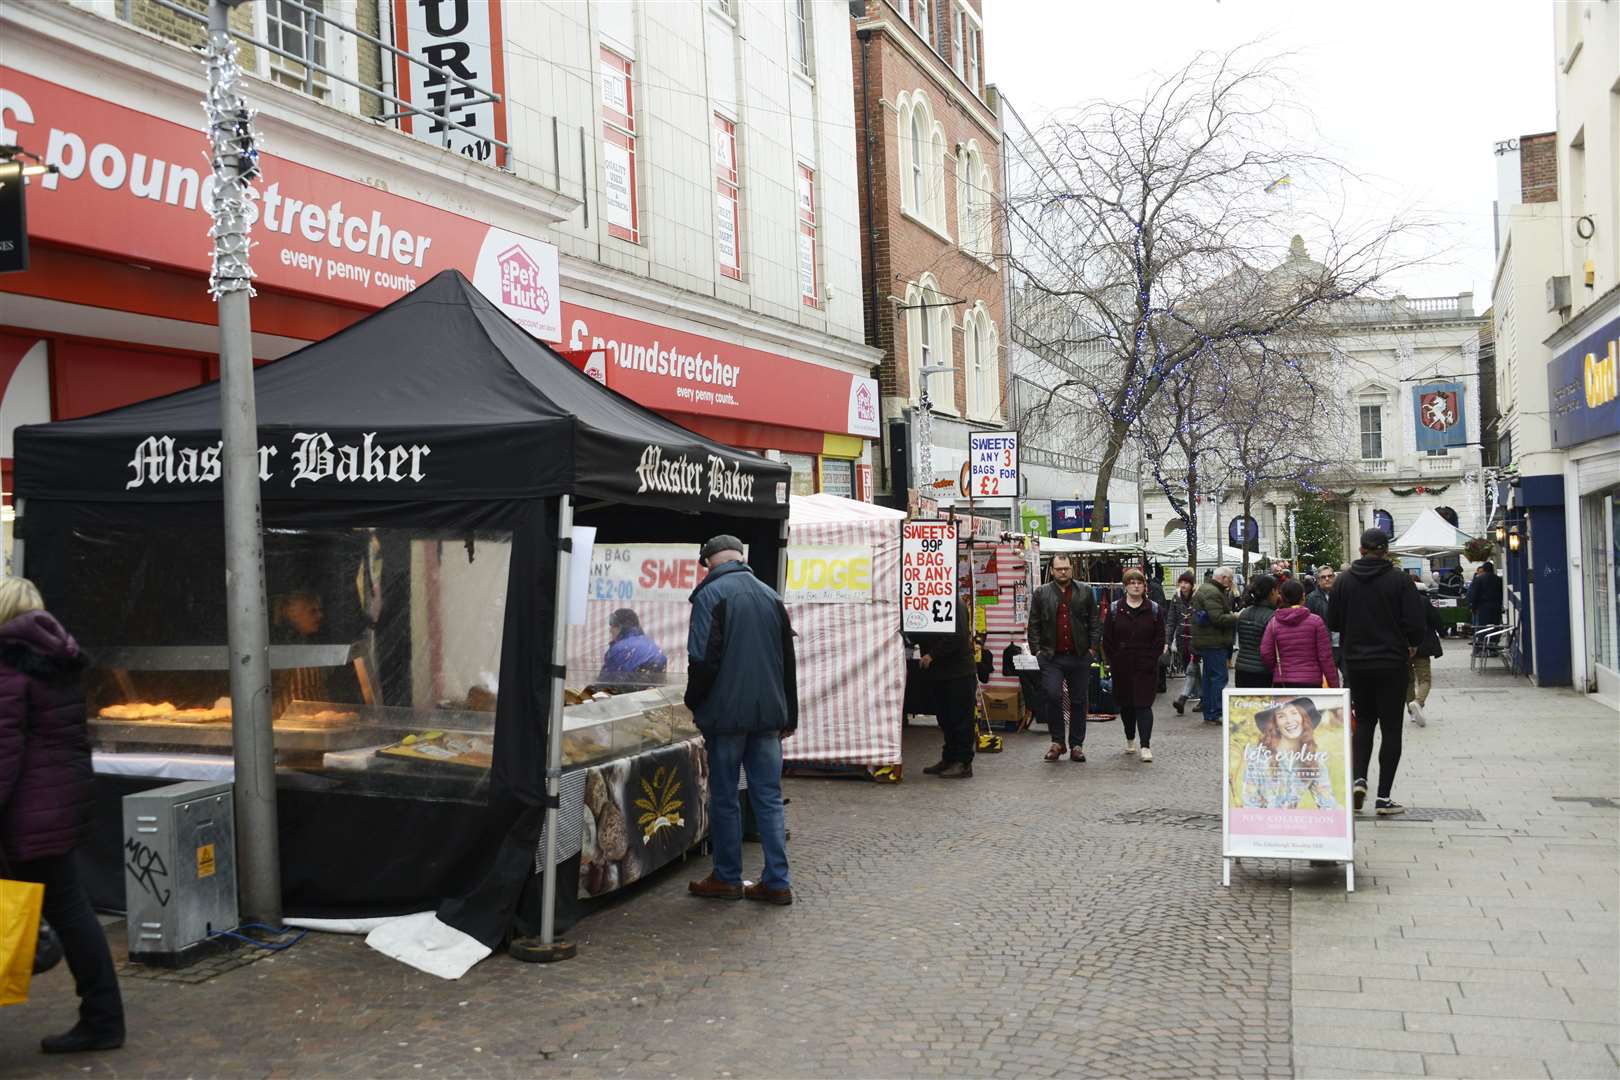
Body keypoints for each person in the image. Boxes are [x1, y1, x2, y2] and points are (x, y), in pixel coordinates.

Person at [0, 577, 125, 1053]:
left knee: (69, 913)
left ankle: (102, 1020)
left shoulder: (9, 668)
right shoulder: (58, 662)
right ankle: (103, 1018)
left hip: (24, 813)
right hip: (57, 807)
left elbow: (4, 753)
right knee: (74, 912)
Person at [685, 535, 797, 906]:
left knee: (725, 797)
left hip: (726, 716)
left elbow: (702, 660)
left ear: (709, 563)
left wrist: (692, 702)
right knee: (768, 797)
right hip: (768, 716)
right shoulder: (770, 596)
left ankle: (727, 876)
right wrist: (789, 713)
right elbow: (787, 663)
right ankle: (777, 881)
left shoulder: (710, 596)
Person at [1327, 528, 1425, 817]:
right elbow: (1416, 625)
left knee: (1364, 722)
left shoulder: (1343, 581)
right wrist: (1410, 643)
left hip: (1356, 664)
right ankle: (1383, 797)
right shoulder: (1400, 581)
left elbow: (1333, 621)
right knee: (1392, 727)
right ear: (1386, 551)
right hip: (1392, 663)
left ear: (1361, 550)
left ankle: (1359, 779)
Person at [1028, 553, 1100, 763]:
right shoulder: (1041, 593)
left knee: (1079, 700)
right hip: (1051, 656)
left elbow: (1095, 622)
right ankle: (1058, 742)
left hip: (1079, 656)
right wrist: (1037, 652)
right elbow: (1033, 625)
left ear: (1071, 569)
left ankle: (1077, 744)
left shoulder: (1085, 591)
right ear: (1051, 570)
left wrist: (1093, 650)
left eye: (1066, 568)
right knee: (1052, 695)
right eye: (1059, 569)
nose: (1063, 572)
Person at [1101, 569, 1165, 763]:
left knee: (1144, 705)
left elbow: (1160, 637)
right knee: (1127, 706)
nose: (1136, 585)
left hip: (1146, 666)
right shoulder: (1114, 609)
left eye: (1139, 582)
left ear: (1144, 586)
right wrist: (1113, 660)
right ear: (1125, 586)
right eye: (1131, 582)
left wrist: (1152, 658)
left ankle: (1145, 745)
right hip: (1122, 666)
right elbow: (1107, 638)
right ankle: (1130, 739)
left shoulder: (1154, 609)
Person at [918, 587, 977, 779]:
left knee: (960, 718)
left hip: (958, 672)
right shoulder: (932, 601)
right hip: (941, 673)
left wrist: (932, 654)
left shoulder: (955, 602)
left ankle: (962, 762)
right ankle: (949, 757)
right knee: (946, 718)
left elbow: (957, 637)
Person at [1240, 697, 1338, 810]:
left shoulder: (1313, 758)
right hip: (1261, 822)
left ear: (1303, 718)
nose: (1289, 720)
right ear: (1275, 723)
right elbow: (1250, 802)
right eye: (1281, 716)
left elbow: (1328, 803)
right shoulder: (1258, 756)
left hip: (1292, 823)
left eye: (1294, 713)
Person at [1262, 579, 1340, 689]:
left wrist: (1276, 668)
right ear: (1303, 597)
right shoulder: (1316, 622)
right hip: (1311, 680)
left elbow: (1266, 653)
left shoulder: (1274, 623)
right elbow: (1325, 657)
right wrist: (1334, 686)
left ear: (1282, 598)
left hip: (1283, 680)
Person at [1190, 567, 1239, 725]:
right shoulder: (1213, 592)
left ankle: (1209, 711)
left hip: (1207, 640)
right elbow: (1217, 618)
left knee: (1209, 677)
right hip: (1214, 641)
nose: (1231, 583)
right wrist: (1235, 616)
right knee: (1218, 677)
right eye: (1230, 579)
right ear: (1223, 578)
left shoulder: (1207, 588)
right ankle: (1215, 711)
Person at [596, 608, 668, 687]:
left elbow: (604, 683)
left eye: (612, 626)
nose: (610, 630)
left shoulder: (619, 649)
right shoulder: (651, 645)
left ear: (620, 626)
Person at [1407, 582, 1445, 727]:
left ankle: (1411, 713)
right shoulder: (1424, 601)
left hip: (1403, 647)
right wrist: (1442, 632)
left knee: (1408, 681)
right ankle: (1418, 701)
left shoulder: (1397, 601)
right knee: (1424, 679)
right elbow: (1436, 619)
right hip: (1422, 646)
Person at [1233, 574, 1280, 689]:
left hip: (1241, 669)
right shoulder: (1272, 617)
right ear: (1272, 591)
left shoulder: (1244, 613)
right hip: (1263, 672)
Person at [1165, 571, 1200, 714]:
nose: (1183, 585)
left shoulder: (1198, 598)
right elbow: (1171, 620)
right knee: (1189, 667)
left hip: (1196, 639)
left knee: (1192, 668)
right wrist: (1168, 640)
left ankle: (1182, 698)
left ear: (1192, 585)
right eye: (1181, 582)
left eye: (1186, 582)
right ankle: (1200, 694)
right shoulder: (1176, 598)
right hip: (1181, 639)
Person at [1306, 565, 1342, 679]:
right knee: (1330, 679)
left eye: (1330, 576)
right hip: (1325, 646)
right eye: (1323, 577)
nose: (1327, 579)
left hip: (1344, 643)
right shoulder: (1312, 598)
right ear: (1318, 580)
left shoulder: (1343, 593)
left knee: (1348, 679)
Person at [1468, 561, 1505, 627]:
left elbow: (1475, 594)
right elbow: (1501, 593)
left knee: (1483, 626)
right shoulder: (1498, 579)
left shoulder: (1479, 579)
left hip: (1483, 606)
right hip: (1496, 605)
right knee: (1495, 625)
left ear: (1484, 569)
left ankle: (1484, 636)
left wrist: (1473, 607)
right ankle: (1494, 637)